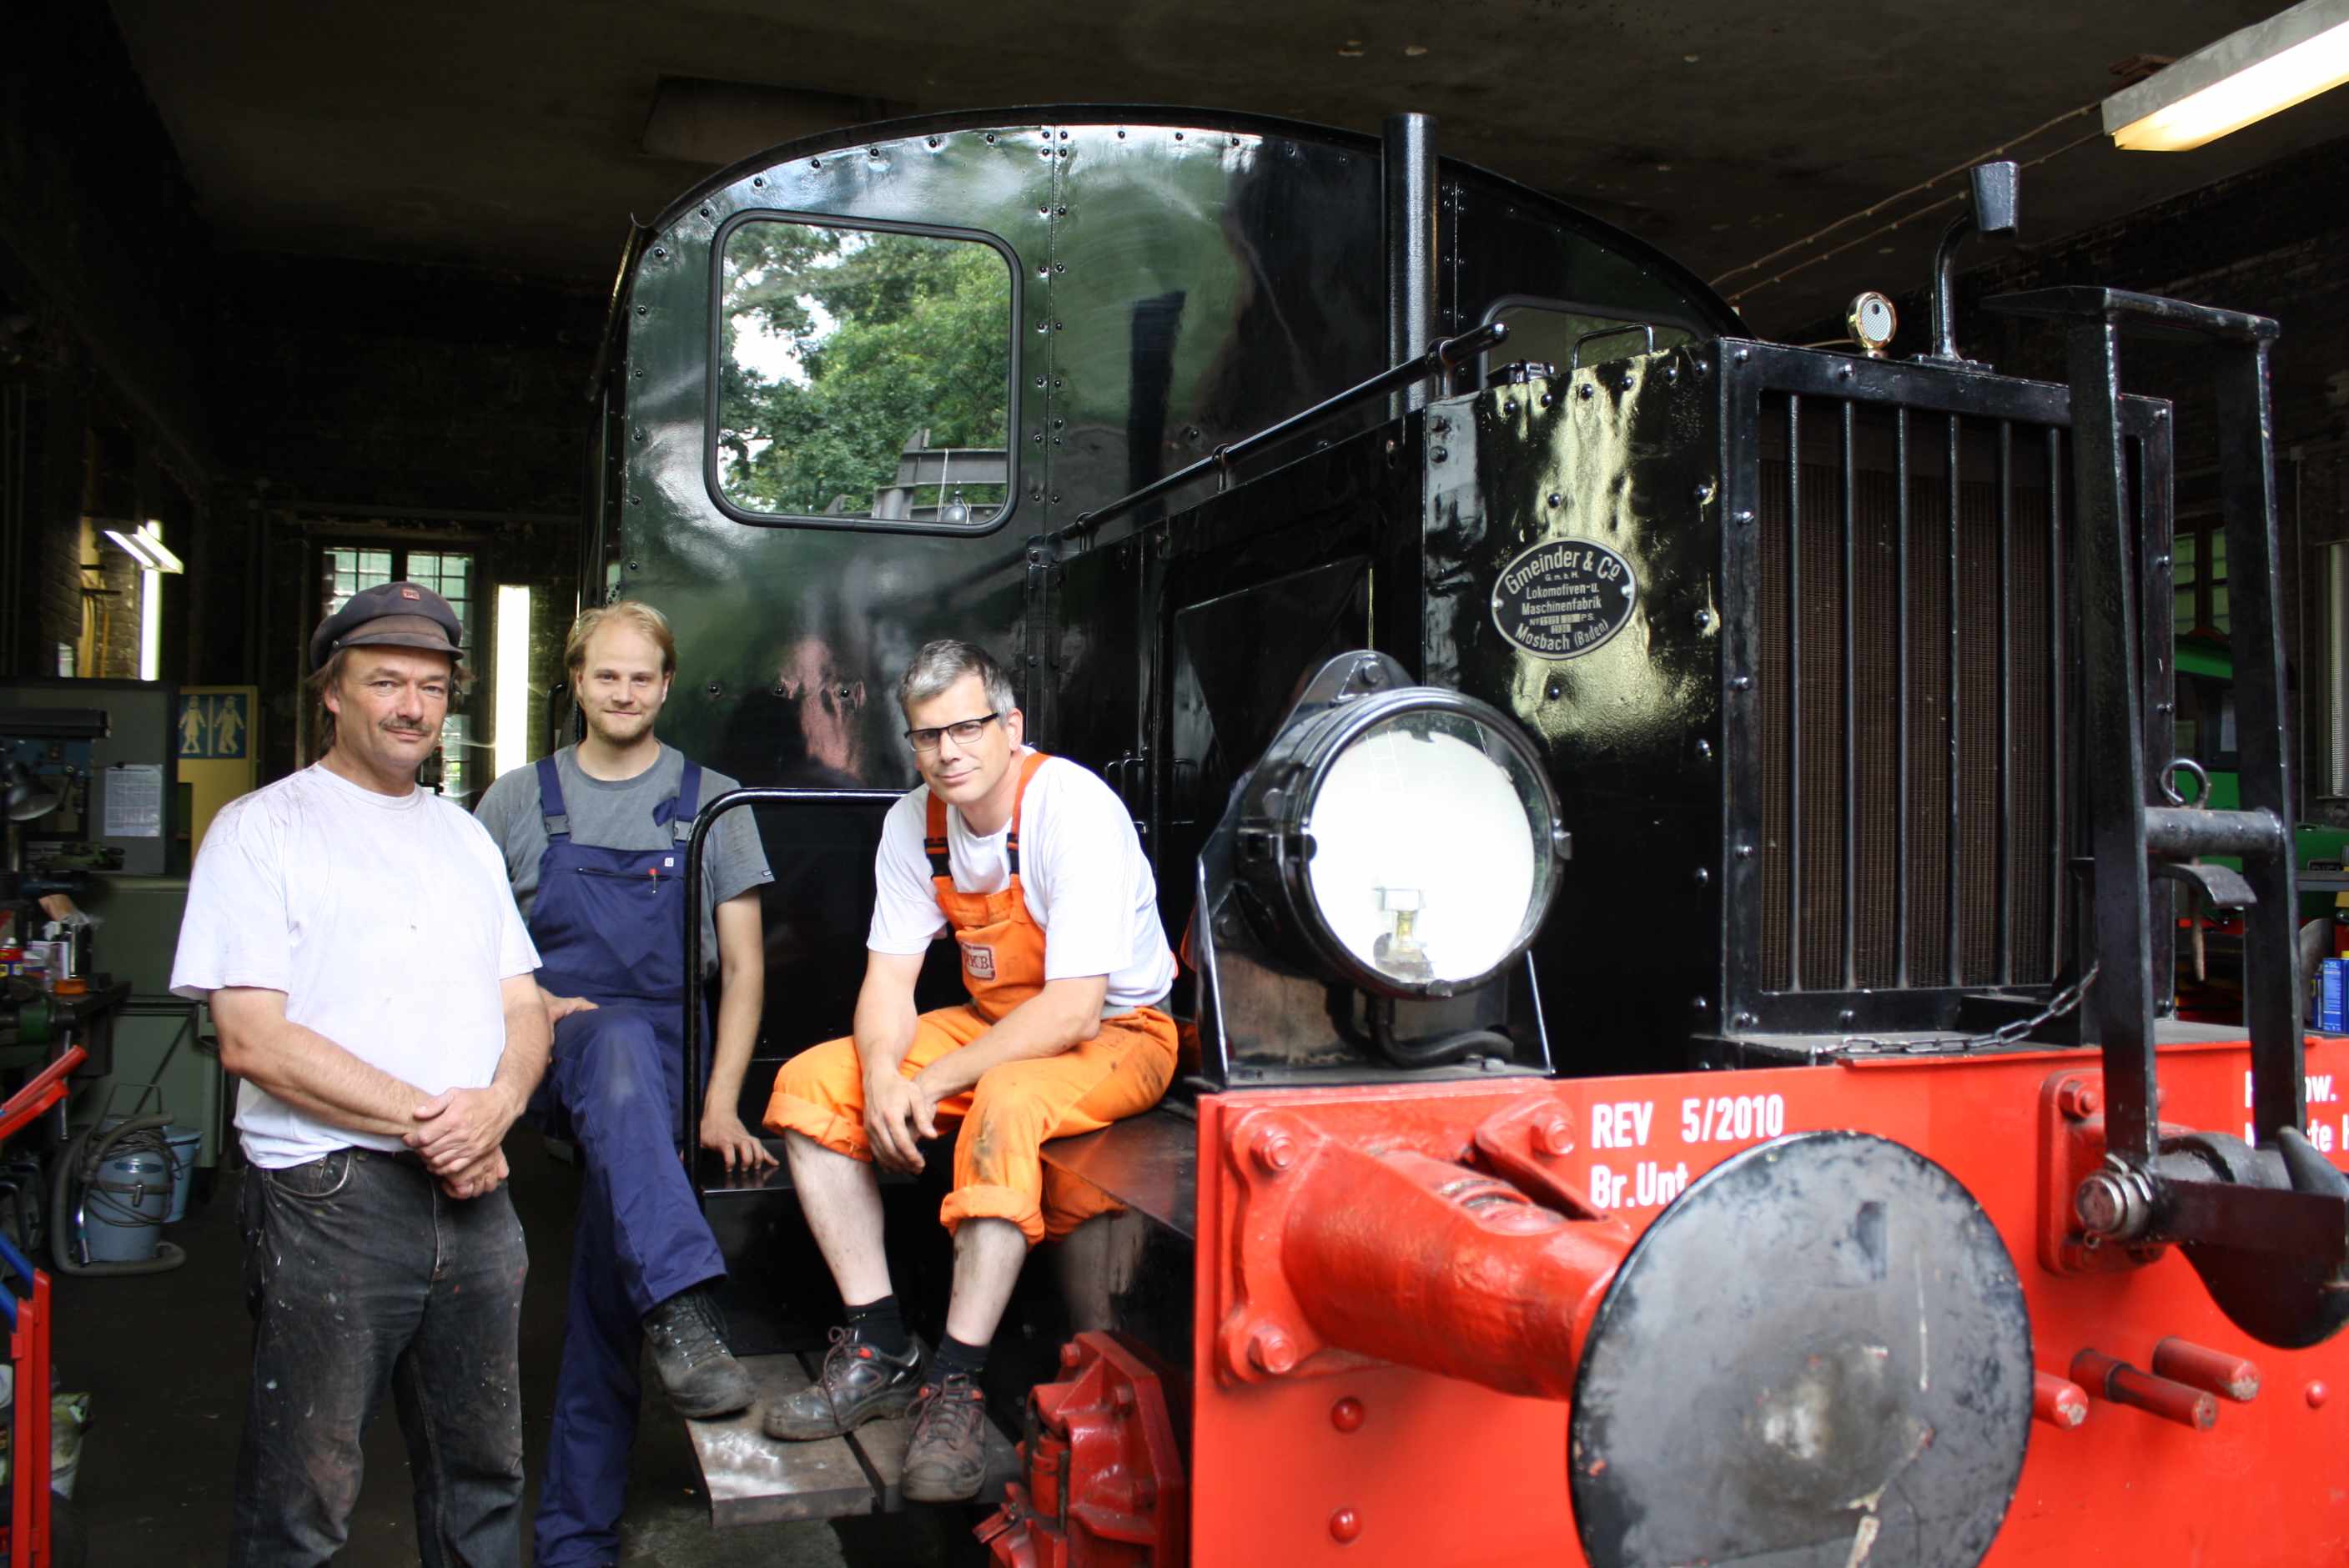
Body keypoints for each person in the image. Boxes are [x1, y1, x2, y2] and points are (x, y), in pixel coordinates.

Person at [172, 580, 547, 1566]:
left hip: (476, 1200)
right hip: (329, 1195)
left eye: (430, 686)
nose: (411, 706)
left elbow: (525, 1006)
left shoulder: (465, 836)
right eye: (385, 681)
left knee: (486, 1478)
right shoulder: (264, 829)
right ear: (332, 691)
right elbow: (253, 1038)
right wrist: (442, 1124)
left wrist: (499, 1105)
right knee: (304, 1494)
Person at [761, 638, 1178, 1502]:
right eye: (926, 736)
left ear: (1010, 725)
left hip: (1117, 1031)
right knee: (809, 1083)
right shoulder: (914, 821)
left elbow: (1069, 1007)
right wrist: (882, 1075)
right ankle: (878, 1343)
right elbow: (886, 982)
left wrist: (934, 1079)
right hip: (994, 1023)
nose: (947, 752)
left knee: (1005, 1099)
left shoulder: (1070, 808)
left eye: (966, 728)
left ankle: (952, 1380)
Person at [471, 600, 775, 1568]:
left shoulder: (713, 799)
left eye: (642, 676)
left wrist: (722, 1099)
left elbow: (745, 968)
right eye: (606, 675)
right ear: (575, 681)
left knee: (608, 1273)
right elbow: (467, 952)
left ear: (666, 682)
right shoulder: (518, 801)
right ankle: (685, 1303)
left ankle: (573, 1541)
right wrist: (522, 1022)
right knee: (607, 1042)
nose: (624, 691)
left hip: (670, 1070)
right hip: (561, 1056)